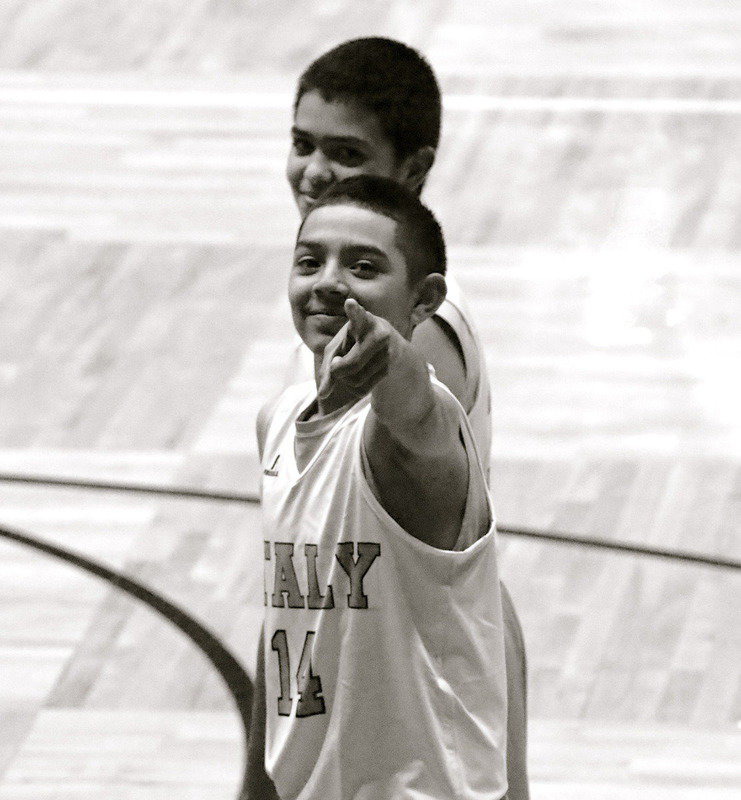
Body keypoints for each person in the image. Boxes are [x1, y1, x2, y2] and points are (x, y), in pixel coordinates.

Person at [268, 37, 530, 798]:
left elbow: (414, 416)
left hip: (424, 648)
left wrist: (390, 355)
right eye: (302, 144)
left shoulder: (424, 336)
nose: (314, 172)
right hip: (338, 637)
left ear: (412, 169)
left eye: (344, 153)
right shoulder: (300, 372)